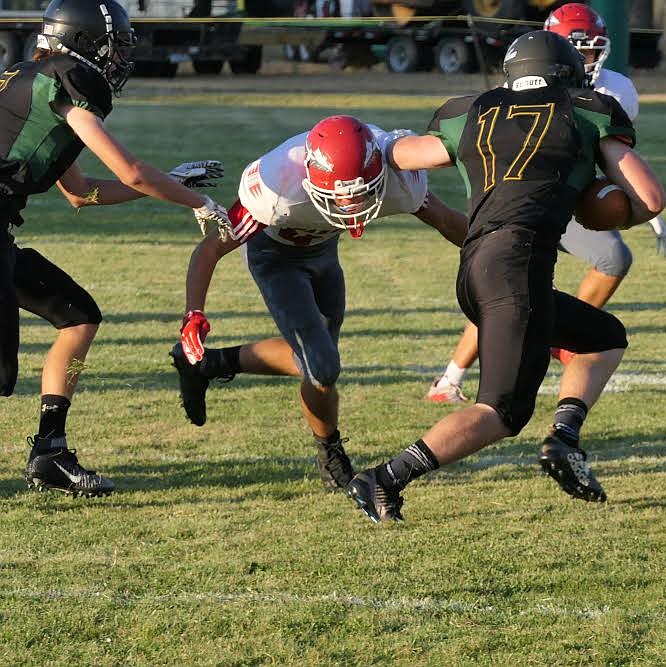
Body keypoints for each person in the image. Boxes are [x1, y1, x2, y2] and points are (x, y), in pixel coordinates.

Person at [345, 30, 666, 522]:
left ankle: (564, 440)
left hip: (476, 268)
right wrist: (605, 211)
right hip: (518, 267)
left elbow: (401, 154)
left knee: (602, 337)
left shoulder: (471, 110)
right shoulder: (586, 109)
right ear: (567, 73)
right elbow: (650, 199)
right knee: (501, 412)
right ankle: (384, 478)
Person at [0, 0, 232, 497]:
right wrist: (199, 201)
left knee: (78, 315)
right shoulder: (67, 79)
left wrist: (168, 181)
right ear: (83, 42)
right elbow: (129, 170)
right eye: (113, 44)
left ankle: (49, 451)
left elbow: (82, 191)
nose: (117, 56)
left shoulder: (31, 80)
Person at [168, 115, 466, 493]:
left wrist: (500, 250)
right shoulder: (278, 189)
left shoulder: (398, 177)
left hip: (323, 253)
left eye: (361, 192)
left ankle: (208, 365)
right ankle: (329, 453)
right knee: (322, 368)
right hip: (275, 259)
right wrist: (193, 313)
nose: (351, 203)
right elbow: (211, 248)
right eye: (341, 195)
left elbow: (446, 220)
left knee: (313, 359)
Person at [425, 2, 666, 405]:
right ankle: (462, 372)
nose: (588, 59)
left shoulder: (613, 91)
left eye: (594, 50)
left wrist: (633, 206)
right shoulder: (520, 89)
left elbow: (611, 160)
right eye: (579, 50)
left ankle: (548, 341)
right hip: (524, 197)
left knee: (552, 278)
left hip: (572, 195)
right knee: (516, 287)